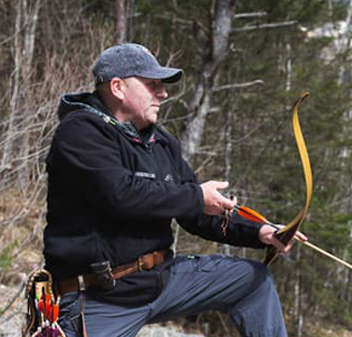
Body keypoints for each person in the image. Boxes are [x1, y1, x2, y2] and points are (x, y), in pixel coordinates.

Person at [43, 43, 303, 337]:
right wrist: (196, 197)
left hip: (162, 281)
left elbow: (198, 214)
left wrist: (260, 232)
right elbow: (121, 195)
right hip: (99, 295)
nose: (163, 94)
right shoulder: (80, 133)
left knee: (252, 281)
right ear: (118, 87)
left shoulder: (161, 143)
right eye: (152, 85)